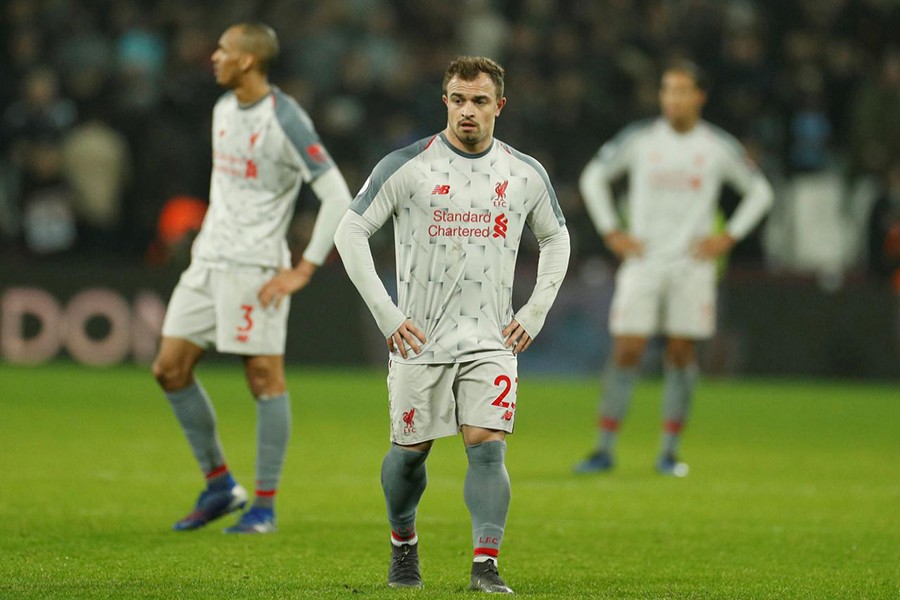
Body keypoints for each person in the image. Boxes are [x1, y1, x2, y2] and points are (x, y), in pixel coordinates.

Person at [334, 56, 569, 593]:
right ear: (445, 101)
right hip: (420, 338)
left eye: (479, 101)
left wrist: (534, 311)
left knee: (487, 446)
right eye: (458, 100)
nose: (468, 111)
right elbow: (350, 232)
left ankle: (485, 565)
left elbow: (557, 238)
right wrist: (387, 313)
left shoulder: (524, 172)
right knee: (409, 458)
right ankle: (403, 543)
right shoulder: (408, 165)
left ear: (499, 107)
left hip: (491, 339)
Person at [152, 23, 353, 534]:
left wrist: (305, 266)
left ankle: (264, 506)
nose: (214, 56)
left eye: (223, 49)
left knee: (263, 378)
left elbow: (337, 194)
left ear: (246, 60)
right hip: (208, 260)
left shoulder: (286, 119)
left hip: (255, 268)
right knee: (169, 369)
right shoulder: (222, 110)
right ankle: (220, 484)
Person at [573, 61, 773, 477]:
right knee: (627, 349)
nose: (672, 98)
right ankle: (604, 448)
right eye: (667, 90)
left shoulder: (717, 146)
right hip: (642, 261)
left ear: (699, 96)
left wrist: (728, 236)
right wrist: (612, 231)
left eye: (681, 91)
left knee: (681, 353)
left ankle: (668, 451)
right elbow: (593, 176)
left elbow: (760, 191)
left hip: (692, 265)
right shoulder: (640, 140)